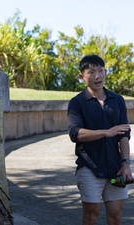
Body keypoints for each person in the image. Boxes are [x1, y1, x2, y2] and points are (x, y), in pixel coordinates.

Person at [67, 54, 133, 225]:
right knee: (91, 215)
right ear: (82, 77)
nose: (97, 76)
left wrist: (126, 163)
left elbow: (124, 134)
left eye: (100, 71)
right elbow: (75, 134)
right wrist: (106, 132)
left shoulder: (117, 100)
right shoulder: (77, 102)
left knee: (116, 216)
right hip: (89, 166)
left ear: (105, 72)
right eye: (91, 72)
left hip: (115, 168)